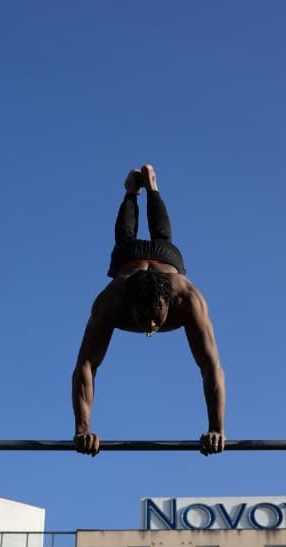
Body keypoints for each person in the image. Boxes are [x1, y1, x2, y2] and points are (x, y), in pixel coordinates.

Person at [72, 165, 225, 457]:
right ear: (130, 306)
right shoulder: (110, 302)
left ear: (170, 302)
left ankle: (149, 188)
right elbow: (85, 366)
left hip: (167, 261)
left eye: (158, 316)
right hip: (129, 263)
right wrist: (83, 428)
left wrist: (216, 427)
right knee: (127, 242)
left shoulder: (189, 300)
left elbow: (211, 366)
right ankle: (134, 190)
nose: (152, 324)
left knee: (160, 238)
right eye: (145, 318)